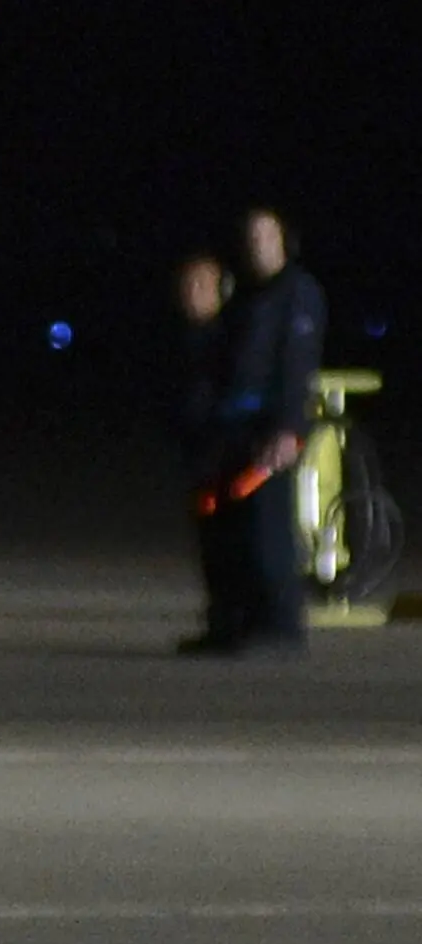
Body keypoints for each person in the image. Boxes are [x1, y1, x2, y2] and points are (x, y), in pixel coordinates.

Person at [181, 210, 327, 659]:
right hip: (229, 432)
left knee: (268, 534)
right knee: (223, 534)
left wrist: (288, 428)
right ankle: (229, 622)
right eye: (251, 237)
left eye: (266, 236)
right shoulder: (244, 297)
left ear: (284, 240)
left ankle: (281, 629)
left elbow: (297, 365)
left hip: (267, 434)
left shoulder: (297, 294)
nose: (257, 245)